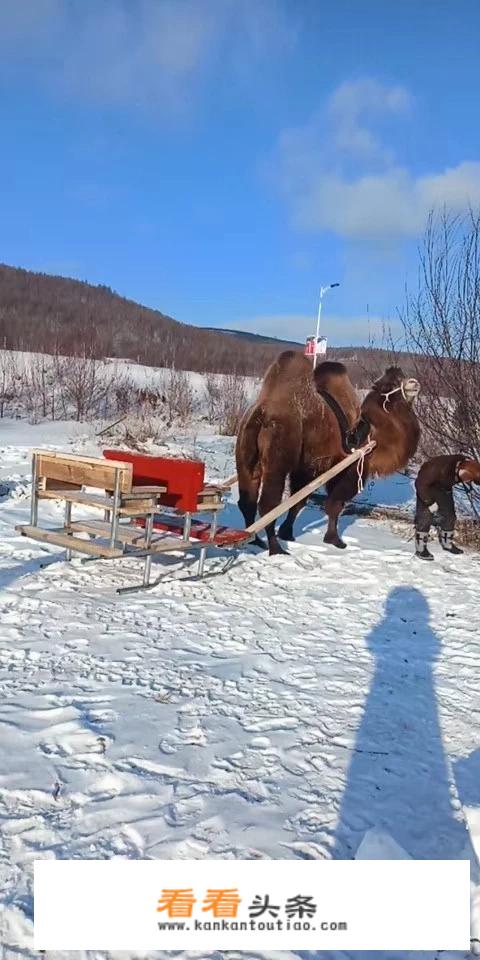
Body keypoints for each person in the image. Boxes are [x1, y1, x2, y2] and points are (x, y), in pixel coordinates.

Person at [414, 454, 480, 560]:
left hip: (444, 487)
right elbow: (420, 484)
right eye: (468, 479)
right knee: (425, 516)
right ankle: (420, 548)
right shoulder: (436, 468)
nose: (468, 482)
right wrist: (429, 502)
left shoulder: (465, 465)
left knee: (450, 515)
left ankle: (447, 543)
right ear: (462, 472)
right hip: (426, 487)